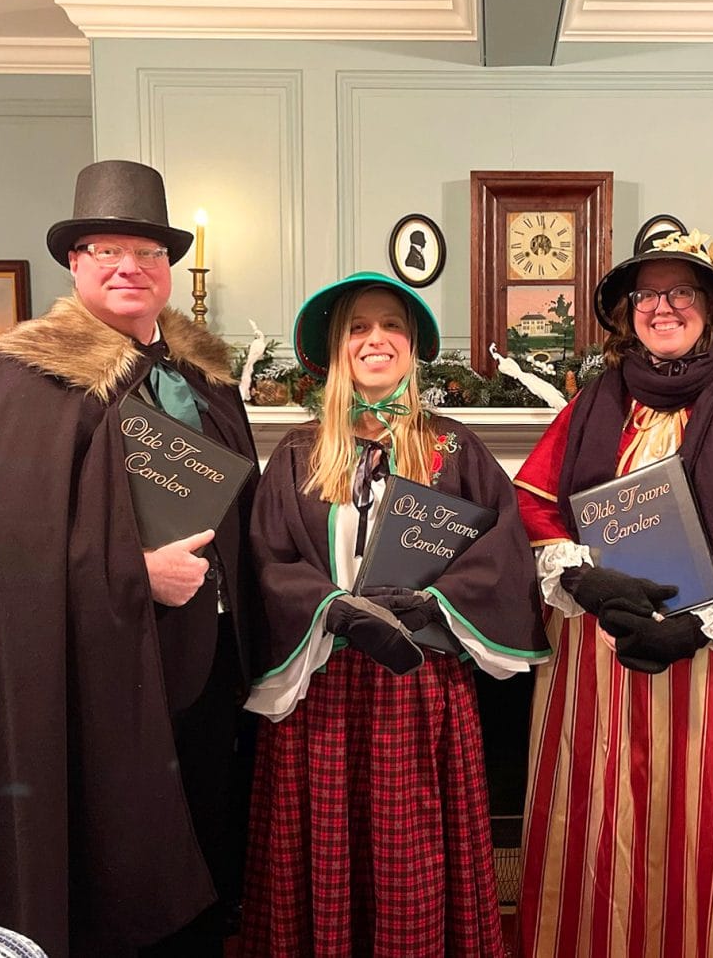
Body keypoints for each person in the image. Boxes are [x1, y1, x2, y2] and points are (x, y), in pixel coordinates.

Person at [514, 229, 713, 957]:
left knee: (711, 817)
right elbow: (535, 505)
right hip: (602, 650)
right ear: (628, 312)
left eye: (681, 291)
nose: (663, 307)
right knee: (604, 817)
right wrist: (580, 578)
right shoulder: (592, 403)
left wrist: (699, 624)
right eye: (648, 294)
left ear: (710, 309)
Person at [0, 160, 261, 958]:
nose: (127, 266)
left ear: (169, 269)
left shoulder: (206, 381)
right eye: (105, 249)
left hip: (209, 664)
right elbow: (10, 552)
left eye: (145, 251)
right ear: (74, 264)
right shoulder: (23, 383)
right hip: (99, 673)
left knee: (205, 836)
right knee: (125, 863)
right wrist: (133, 575)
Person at [240, 271, 550, 957]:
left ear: (413, 348)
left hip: (419, 683)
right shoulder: (297, 454)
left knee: (414, 848)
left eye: (392, 327)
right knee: (321, 849)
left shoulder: (453, 448)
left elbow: (502, 552)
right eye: (358, 327)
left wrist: (436, 601)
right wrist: (332, 608)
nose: (375, 339)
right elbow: (267, 558)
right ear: (336, 348)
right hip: (323, 687)